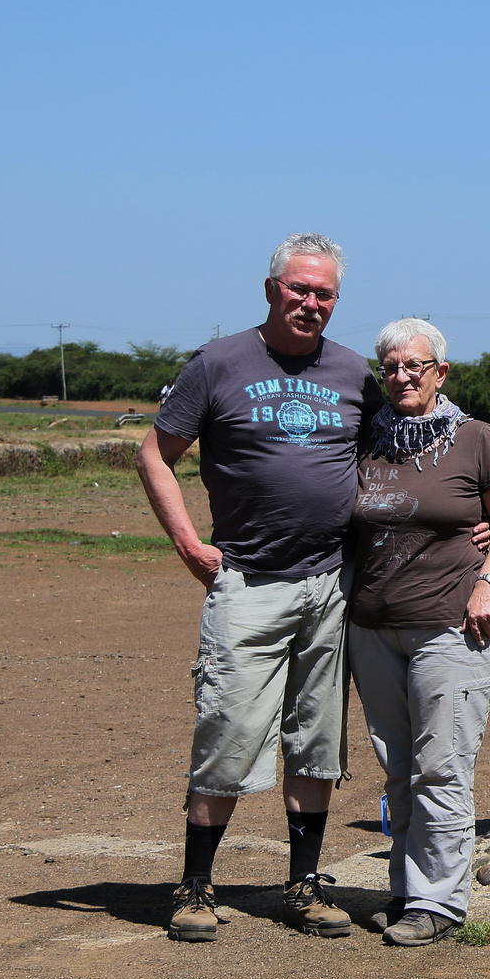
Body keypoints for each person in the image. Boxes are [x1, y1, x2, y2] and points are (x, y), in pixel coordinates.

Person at [137, 233, 384, 943]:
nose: (311, 303)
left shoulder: (354, 373)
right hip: (248, 581)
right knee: (229, 730)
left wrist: (480, 520)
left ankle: (303, 887)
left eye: (325, 293)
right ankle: (194, 887)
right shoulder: (219, 363)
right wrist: (189, 543)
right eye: (300, 289)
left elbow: (394, 462)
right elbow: (156, 454)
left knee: (317, 741)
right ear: (272, 288)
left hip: (330, 584)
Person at [347, 318, 490, 947]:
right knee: (397, 769)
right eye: (390, 367)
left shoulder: (474, 439)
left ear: (439, 372)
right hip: (374, 628)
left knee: (441, 766)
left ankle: (439, 903)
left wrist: (489, 583)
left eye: (413, 366)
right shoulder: (366, 441)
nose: (401, 377)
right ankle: (404, 890)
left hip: (452, 627)